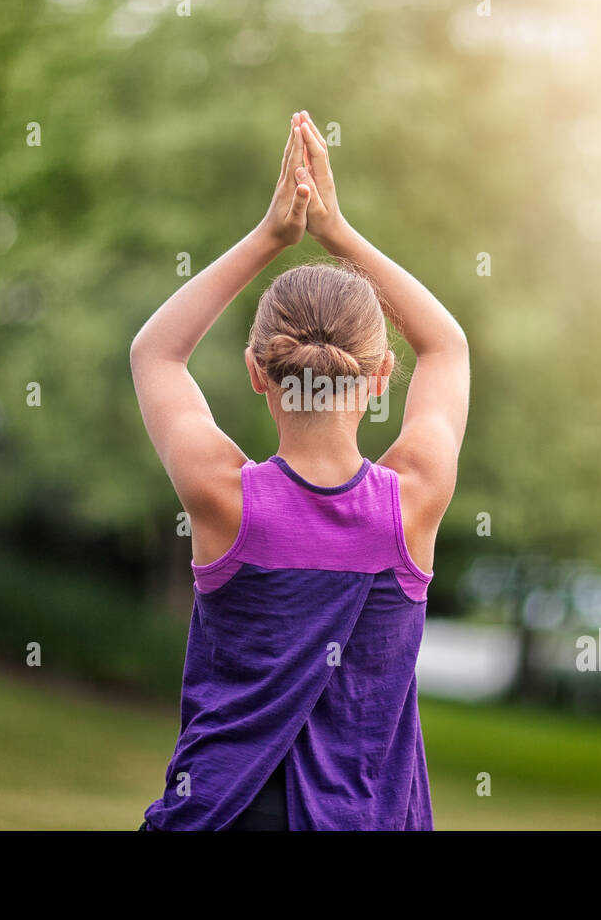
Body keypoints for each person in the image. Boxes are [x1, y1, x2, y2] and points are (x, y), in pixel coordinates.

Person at [130, 110, 469, 830]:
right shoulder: (411, 505)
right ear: (379, 380)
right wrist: (337, 231)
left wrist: (271, 237)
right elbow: (446, 347)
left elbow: (155, 354)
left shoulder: (222, 499)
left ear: (258, 373)